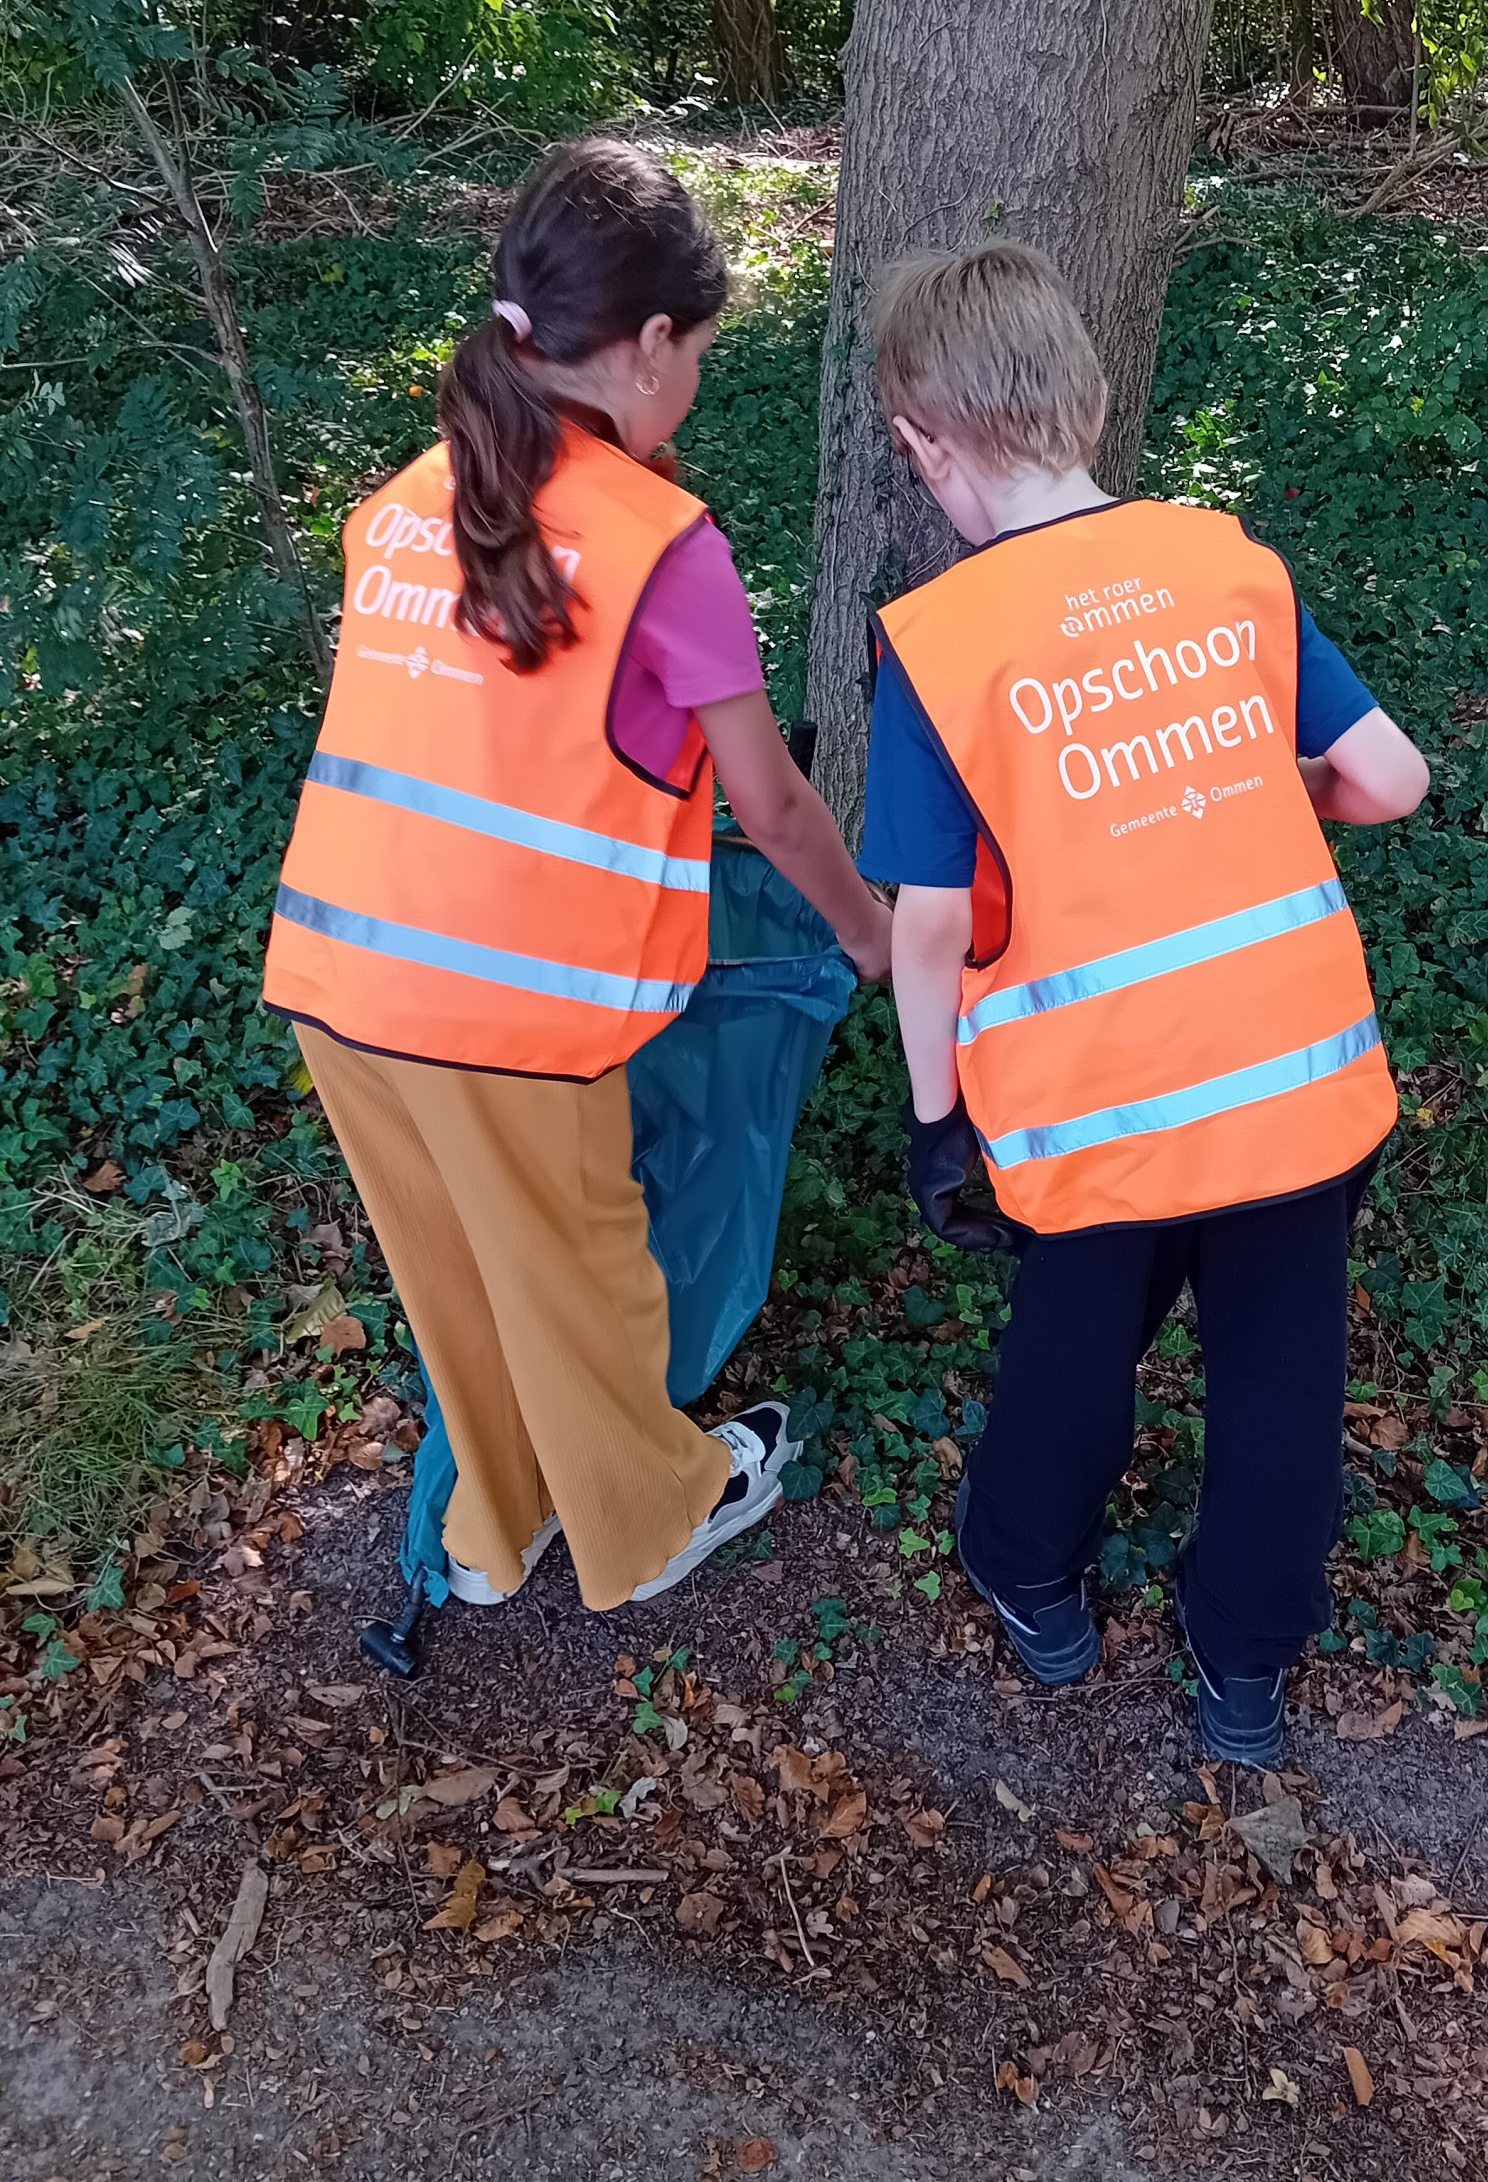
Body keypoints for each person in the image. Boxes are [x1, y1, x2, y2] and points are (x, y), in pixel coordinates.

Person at [264, 138, 890, 1617]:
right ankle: (652, 1520)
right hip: (507, 1009)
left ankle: (492, 1533)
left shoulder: (407, 496)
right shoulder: (661, 545)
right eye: (701, 357)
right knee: (587, 1277)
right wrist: (866, 935)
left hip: (340, 977)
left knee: (457, 1274)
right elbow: (776, 803)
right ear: (650, 343)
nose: (698, 388)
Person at [860, 244, 1429, 1767]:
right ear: (1085, 398)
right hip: (1299, 1072)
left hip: (1102, 1098)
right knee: (1281, 1368)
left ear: (926, 445)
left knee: (1077, 1337)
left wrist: (935, 1128)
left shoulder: (944, 644)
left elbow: (925, 931)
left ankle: (1032, 1578)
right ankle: (1243, 1668)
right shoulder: (1224, 566)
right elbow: (1390, 778)